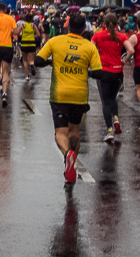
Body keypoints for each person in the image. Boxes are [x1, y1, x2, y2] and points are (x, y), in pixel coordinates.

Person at [35, 13, 102, 185]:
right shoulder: (89, 46)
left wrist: (51, 62)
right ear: (83, 29)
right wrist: (85, 71)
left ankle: (67, 155)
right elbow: (98, 72)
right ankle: (71, 164)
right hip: (79, 95)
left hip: (59, 94)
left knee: (60, 133)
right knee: (74, 131)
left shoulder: (55, 41)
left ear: (68, 26)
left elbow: (37, 61)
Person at [91, 12, 129, 143]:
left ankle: (109, 131)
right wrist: (124, 60)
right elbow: (131, 50)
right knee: (113, 98)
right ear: (117, 24)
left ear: (104, 24)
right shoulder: (121, 36)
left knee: (106, 101)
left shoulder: (97, 35)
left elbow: (90, 49)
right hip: (118, 72)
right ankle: (116, 118)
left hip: (104, 71)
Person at [16, 11, 41, 81]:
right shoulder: (33, 26)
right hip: (32, 43)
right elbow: (38, 34)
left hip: (24, 43)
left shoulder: (23, 25)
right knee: (31, 59)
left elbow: (17, 33)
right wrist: (33, 36)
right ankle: (32, 65)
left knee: (25, 60)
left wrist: (22, 35)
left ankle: (27, 75)